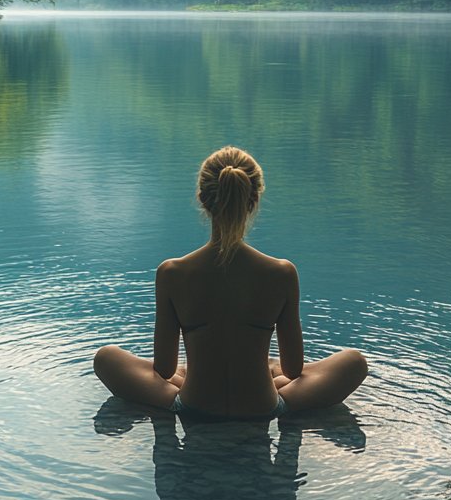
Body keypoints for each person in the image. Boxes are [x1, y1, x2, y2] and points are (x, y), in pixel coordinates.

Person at [94, 146, 367, 419]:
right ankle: (261, 377)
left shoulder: (173, 273)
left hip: (192, 405)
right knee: (353, 362)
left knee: (107, 358)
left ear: (202, 199)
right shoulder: (281, 273)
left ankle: (201, 376)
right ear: (254, 200)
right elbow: (294, 371)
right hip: (263, 407)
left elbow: (164, 371)